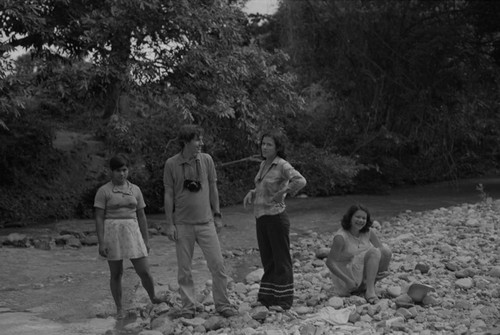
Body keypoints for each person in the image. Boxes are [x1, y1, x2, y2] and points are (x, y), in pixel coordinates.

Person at [162, 124, 238, 318]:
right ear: (186, 141)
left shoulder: (207, 160)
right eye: (197, 140)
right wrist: (169, 224)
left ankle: (222, 304)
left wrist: (218, 214)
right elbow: (169, 193)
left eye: (201, 140)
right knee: (184, 270)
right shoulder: (171, 164)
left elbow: (213, 189)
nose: (201, 144)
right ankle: (188, 307)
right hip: (182, 224)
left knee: (218, 265)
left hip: (206, 223)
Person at [243, 129, 306, 311]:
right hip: (261, 217)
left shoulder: (282, 165)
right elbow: (264, 186)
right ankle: (266, 298)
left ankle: (284, 300)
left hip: (276, 217)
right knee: (268, 259)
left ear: (277, 147)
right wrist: (252, 192)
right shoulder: (263, 165)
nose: (264, 147)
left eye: (269, 144)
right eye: (263, 144)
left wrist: (284, 192)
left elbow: (301, 181)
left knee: (281, 259)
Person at [94, 154, 161, 319]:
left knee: (144, 270)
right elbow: (99, 218)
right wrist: (101, 243)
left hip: (132, 231)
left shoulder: (135, 190)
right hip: (112, 232)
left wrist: (146, 240)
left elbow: (142, 216)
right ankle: (119, 308)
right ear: (111, 171)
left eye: (124, 170)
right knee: (116, 273)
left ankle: (153, 297)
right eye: (118, 171)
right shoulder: (104, 191)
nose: (122, 174)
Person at [325, 204, 392, 304]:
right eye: (357, 217)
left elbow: (382, 251)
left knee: (386, 251)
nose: (360, 220)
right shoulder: (341, 237)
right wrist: (347, 280)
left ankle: (369, 287)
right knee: (374, 252)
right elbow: (330, 262)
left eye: (363, 218)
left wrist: (383, 268)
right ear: (350, 218)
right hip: (347, 278)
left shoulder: (368, 232)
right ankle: (369, 291)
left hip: (360, 271)